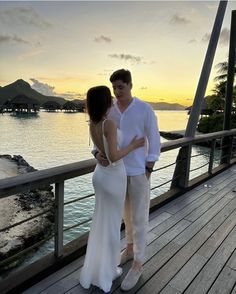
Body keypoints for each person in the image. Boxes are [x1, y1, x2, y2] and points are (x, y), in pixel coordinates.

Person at [94, 69, 160, 291]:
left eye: (121, 87)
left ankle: (139, 263)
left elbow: (154, 139)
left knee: (140, 217)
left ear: (131, 85)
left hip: (139, 172)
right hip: (116, 173)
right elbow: (99, 138)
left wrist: (149, 167)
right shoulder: (109, 110)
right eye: (114, 87)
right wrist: (96, 154)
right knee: (125, 215)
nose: (117, 91)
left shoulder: (144, 109)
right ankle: (129, 249)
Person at [79, 85, 145, 293]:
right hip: (113, 178)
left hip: (100, 176)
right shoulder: (109, 123)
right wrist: (134, 145)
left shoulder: (93, 122)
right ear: (106, 101)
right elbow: (115, 157)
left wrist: (97, 155)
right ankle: (106, 272)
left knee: (101, 222)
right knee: (110, 226)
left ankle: (96, 269)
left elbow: (100, 151)